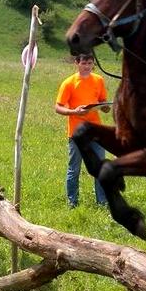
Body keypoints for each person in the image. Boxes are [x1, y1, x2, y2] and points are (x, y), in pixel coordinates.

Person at [55, 53, 111, 208]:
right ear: (77, 63)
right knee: (74, 169)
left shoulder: (98, 80)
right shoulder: (69, 83)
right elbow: (58, 107)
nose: (87, 67)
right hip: (77, 133)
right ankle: (72, 202)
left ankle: (102, 202)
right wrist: (74, 112)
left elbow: (102, 102)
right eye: (84, 63)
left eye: (90, 63)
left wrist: (105, 107)